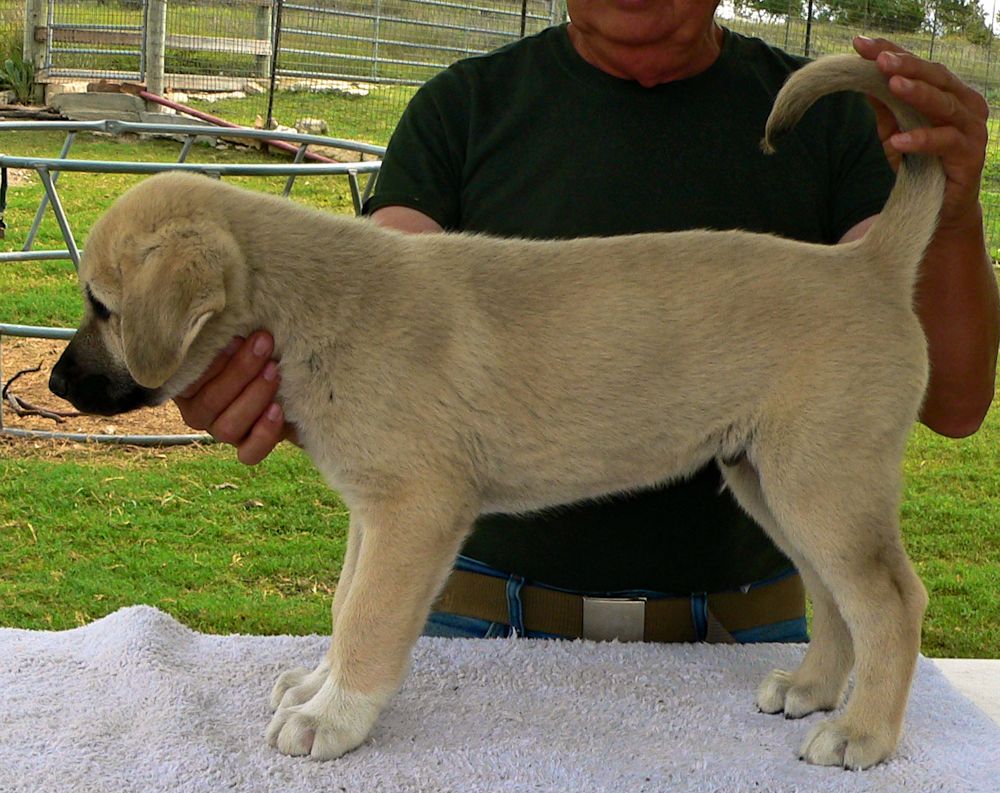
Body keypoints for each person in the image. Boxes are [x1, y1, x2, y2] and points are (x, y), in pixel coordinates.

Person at [175, 1, 999, 644]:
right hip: (468, 618)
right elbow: (373, 342)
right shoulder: (463, 109)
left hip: (743, 633)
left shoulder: (843, 129)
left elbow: (955, 399)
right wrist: (224, 366)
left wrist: (952, 207)